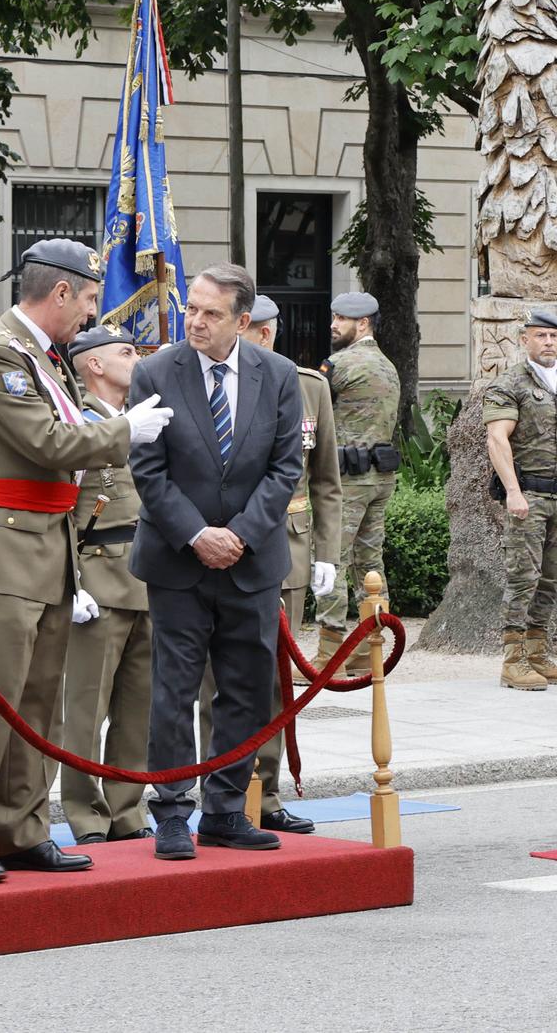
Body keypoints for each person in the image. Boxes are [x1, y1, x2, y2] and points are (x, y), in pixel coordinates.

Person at [0, 240, 171, 883]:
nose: (92, 310)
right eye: (90, 298)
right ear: (61, 292)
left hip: (43, 546)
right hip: (0, 549)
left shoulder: (42, 361)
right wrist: (126, 432)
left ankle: (20, 829)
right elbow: (47, 442)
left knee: (36, 702)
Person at [129, 264, 303, 860]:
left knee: (247, 686)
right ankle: (173, 811)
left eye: (210, 313)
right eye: (191, 309)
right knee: (173, 692)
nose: (195, 321)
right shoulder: (155, 371)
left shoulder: (278, 375)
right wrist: (198, 534)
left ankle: (226, 808)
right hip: (179, 561)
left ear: (243, 321)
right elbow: (147, 470)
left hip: (251, 562)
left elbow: (285, 468)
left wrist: (242, 536)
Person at [204, 295, 340, 834]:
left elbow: (326, 479)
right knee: (216, 683)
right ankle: (217, 789)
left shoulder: (309, 386)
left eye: (266, 331)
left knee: (273, 681)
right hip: (216, 549)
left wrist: (329, 553)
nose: (262, 340)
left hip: (288, 548)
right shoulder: (204, 379)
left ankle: (267, 791)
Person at [57, 322, 156, 844]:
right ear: (93, 363)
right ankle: (84, 813)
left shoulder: (144, 418)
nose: (137, 358)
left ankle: (127, 811)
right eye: (125, 351)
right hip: (98, 575)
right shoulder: (76, 421)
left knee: (137, 707)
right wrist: (72, 582)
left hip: (146, 575)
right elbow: (62, 512)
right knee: (86, 709)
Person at [484, 309, 557, 691]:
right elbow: (497, 438)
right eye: (540, 336)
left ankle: (537, 650)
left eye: (554, 337)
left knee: (551, 577)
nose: (548, 343)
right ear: (525, 340)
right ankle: (512, 658)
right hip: (528, 496)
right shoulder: (509, 384)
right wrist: (514, 492)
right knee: (523, 576)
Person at [322, 291, 397, 674]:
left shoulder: (338, 364)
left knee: (331, 559)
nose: (333, 325)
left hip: (347, 480)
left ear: (362, 323)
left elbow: (314, 417)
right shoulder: (388, 366)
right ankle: (373, 646)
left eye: (341, 319)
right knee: (370, 563)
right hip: (380, 477)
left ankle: (329, 653)